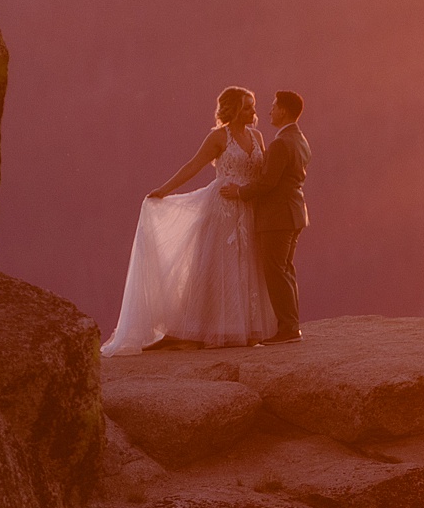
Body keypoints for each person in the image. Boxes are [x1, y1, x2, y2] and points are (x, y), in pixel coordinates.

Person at [100, 86, 278, 355]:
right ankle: (203, 327)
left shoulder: (257, 136)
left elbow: (264, 173)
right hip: (223, 210)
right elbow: (193, 165)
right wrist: (164, 189)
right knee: (219, 267)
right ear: (232, 110)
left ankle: (244, 328)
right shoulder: (219, 137)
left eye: (252, 106)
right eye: (246, 106)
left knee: (248, 264)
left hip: (249, 207)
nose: (253, 111)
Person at [224, 88, 308, 344]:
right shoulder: (300, 139)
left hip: (277, 217)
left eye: (273, 106)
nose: (269, 111)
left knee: (275, 271)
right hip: (294, 213)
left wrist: (240, 191)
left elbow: (268, 183)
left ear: (283, 110)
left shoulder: (281, 143)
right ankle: (291, 324)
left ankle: (288, 328)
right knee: (286, 269)